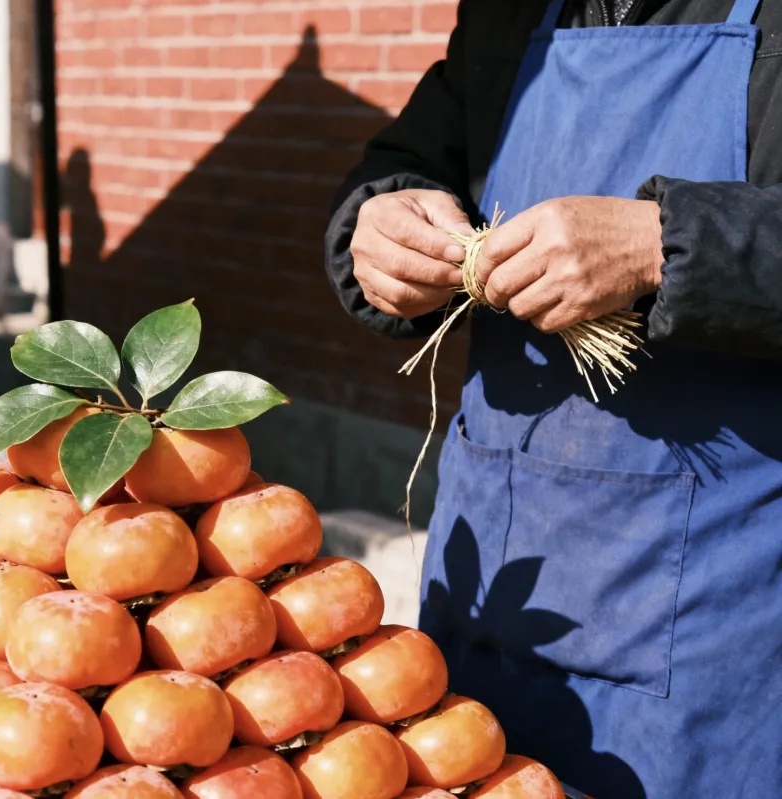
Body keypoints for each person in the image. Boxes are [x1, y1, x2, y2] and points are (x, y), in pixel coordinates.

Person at [325, 1, 782, 798]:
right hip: (497, 573)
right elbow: (410, 162)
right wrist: (378, 224)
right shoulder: (506, 11)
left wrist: (665, 245)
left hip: (721, 607)